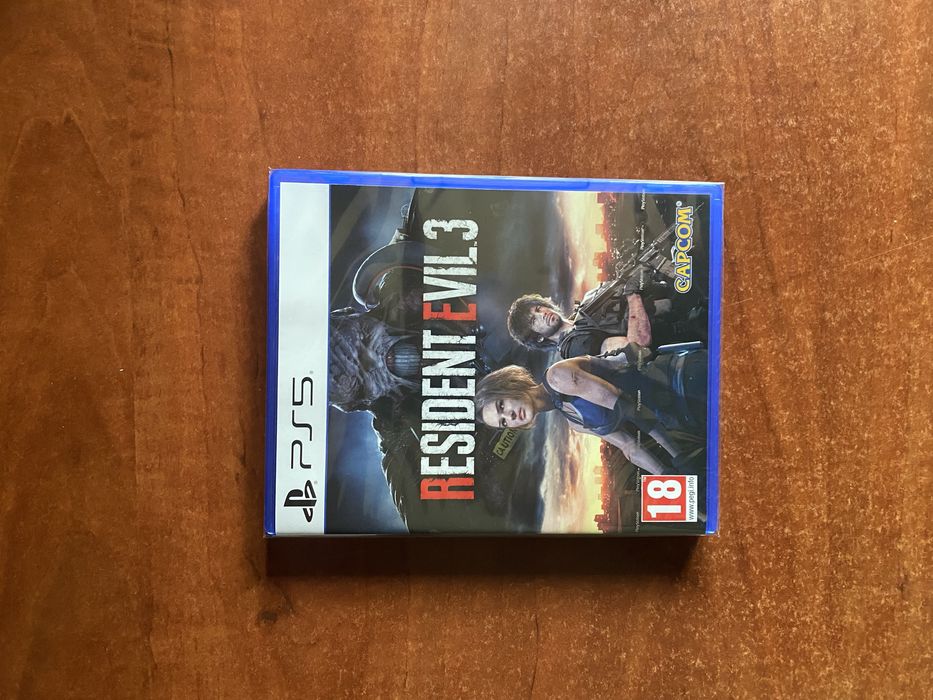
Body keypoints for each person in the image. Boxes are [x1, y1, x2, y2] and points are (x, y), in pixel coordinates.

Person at [475, 344, 707, 475]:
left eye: (501, 405)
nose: (509, 416)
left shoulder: (557, 377)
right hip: (683, 414)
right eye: (503, 422)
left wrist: (678, 457)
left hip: (683, 381)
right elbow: (628, 446)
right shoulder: (573, 422)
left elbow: (629, 407)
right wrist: (666, 476)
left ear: (510, 386)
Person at [507, 267, 706, 359]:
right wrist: (632, 294)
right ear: (537, 338)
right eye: (533, 320)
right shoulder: (575, 347)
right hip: (686, 335)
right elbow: (636, 348)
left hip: (682, 305)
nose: (542, 314)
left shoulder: (586, 306)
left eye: (538, 308)